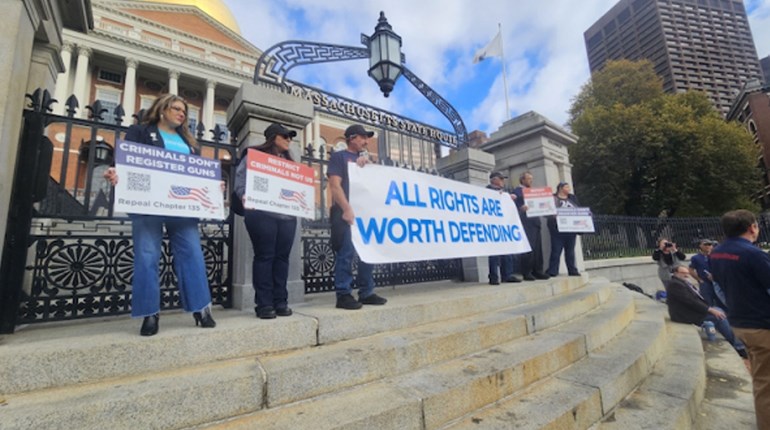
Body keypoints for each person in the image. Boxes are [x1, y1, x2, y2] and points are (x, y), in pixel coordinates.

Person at [104, 94, 215, 336]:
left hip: (182, 207)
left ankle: (201, 308)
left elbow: (199, 175)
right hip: (148, 205)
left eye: (184, 110)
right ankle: (149, 313)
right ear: (162, 110)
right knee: (147, 256)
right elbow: (124, 161)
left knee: (193, 255)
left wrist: (213, 189)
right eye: (176, 108)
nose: (181, 113)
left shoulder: (190, 142)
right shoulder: (140, 132)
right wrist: (115, 172)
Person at [710, 209, 770, 430]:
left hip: (740, 323)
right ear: (752, 227)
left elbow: (718, 287)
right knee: (766, 383)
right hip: (763, 325)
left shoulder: (716, 253)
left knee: (761, 378)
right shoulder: (754, 254)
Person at [234, 123, 298, 319]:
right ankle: (264, 304)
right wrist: (244, 195)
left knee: (282, 259)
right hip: (261, 214)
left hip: (287, 216)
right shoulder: (253, 155)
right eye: (285, 136)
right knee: (265, 256)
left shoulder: (290, 163)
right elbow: (241, 180)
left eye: (290, 137)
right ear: (273, 137)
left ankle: (281, 301)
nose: (288, 140)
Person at [328, 124, 387, 310]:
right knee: (346, 254)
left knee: (366, 254)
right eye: (363, 137)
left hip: (364, 215)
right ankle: (343, 294)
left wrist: (368, 167)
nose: (366, 141)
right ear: (352, 138)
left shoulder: (365, 160)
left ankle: (366, 292)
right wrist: (346, 208)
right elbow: (335, 186)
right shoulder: (339, 157)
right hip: (346, 213)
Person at [665, 264, 747, 359]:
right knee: (719, 317)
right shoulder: (675, 284)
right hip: (685, 314)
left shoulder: (682, 282)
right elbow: (691, 302)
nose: (686, 275)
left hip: (692, 310)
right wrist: (710, 309)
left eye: (687, 273)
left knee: (720, 311)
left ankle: (737, 341)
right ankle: (738, 347)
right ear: (675, 273)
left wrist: (711, 309)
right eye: (683, 273)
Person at [512, 171, 549, 281]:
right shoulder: (518, 191)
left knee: (538, 248)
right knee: (529, 248)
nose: (531, 181)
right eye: (528, 178)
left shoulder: (533, 192)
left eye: (531, 178)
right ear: (522, 180)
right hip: (526, 222)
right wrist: (520, 208)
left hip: (535, 221)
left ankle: (538, 270)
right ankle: (527, 272)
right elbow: (514, 203)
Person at [486, 171, 521, 285]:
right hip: (493, 225)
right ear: (494, 180)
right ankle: (494, 276)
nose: (503, 181)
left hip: (505, 225)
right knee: (494, 252)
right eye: (501, 179)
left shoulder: (506, 193)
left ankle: (507, 274)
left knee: (508, 250)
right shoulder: (486, 190)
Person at [546, 182, 581, 277]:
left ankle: (572, 270)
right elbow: (546, 211)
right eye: (566, 187)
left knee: (570, 251)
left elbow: (579, 210)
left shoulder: (572, 198)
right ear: (561, 188)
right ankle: (552, 270)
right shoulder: (553, 198)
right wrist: (552, 215)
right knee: (556, 251)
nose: (569, 188)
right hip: (557, 229)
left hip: (570, 229)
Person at [688, 238, 726, 310]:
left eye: (709, 244)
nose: (708, 246)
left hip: (717, 281)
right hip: (705, 283)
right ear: (700, 246)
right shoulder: (696, 258)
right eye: (705, 244)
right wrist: (699, 279)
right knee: (708, 303)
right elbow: (691, 270)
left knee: (722, 301)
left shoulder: (715, 256)